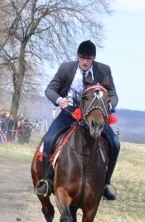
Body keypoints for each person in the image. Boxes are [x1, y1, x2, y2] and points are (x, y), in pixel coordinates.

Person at [34, 40, 120, 200]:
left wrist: (109, 106)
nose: (85, 62)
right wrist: (59, 100)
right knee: (49, 139)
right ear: (77, 56)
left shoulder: (104, 70)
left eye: (88, 58)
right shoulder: (66, 68)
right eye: (82, 58)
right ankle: (47, 180)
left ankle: (106, 184)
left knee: (115, 143)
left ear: (94, 58)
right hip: (69, 113)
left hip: (94, 115)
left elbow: (113, 95)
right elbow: (50, 89)